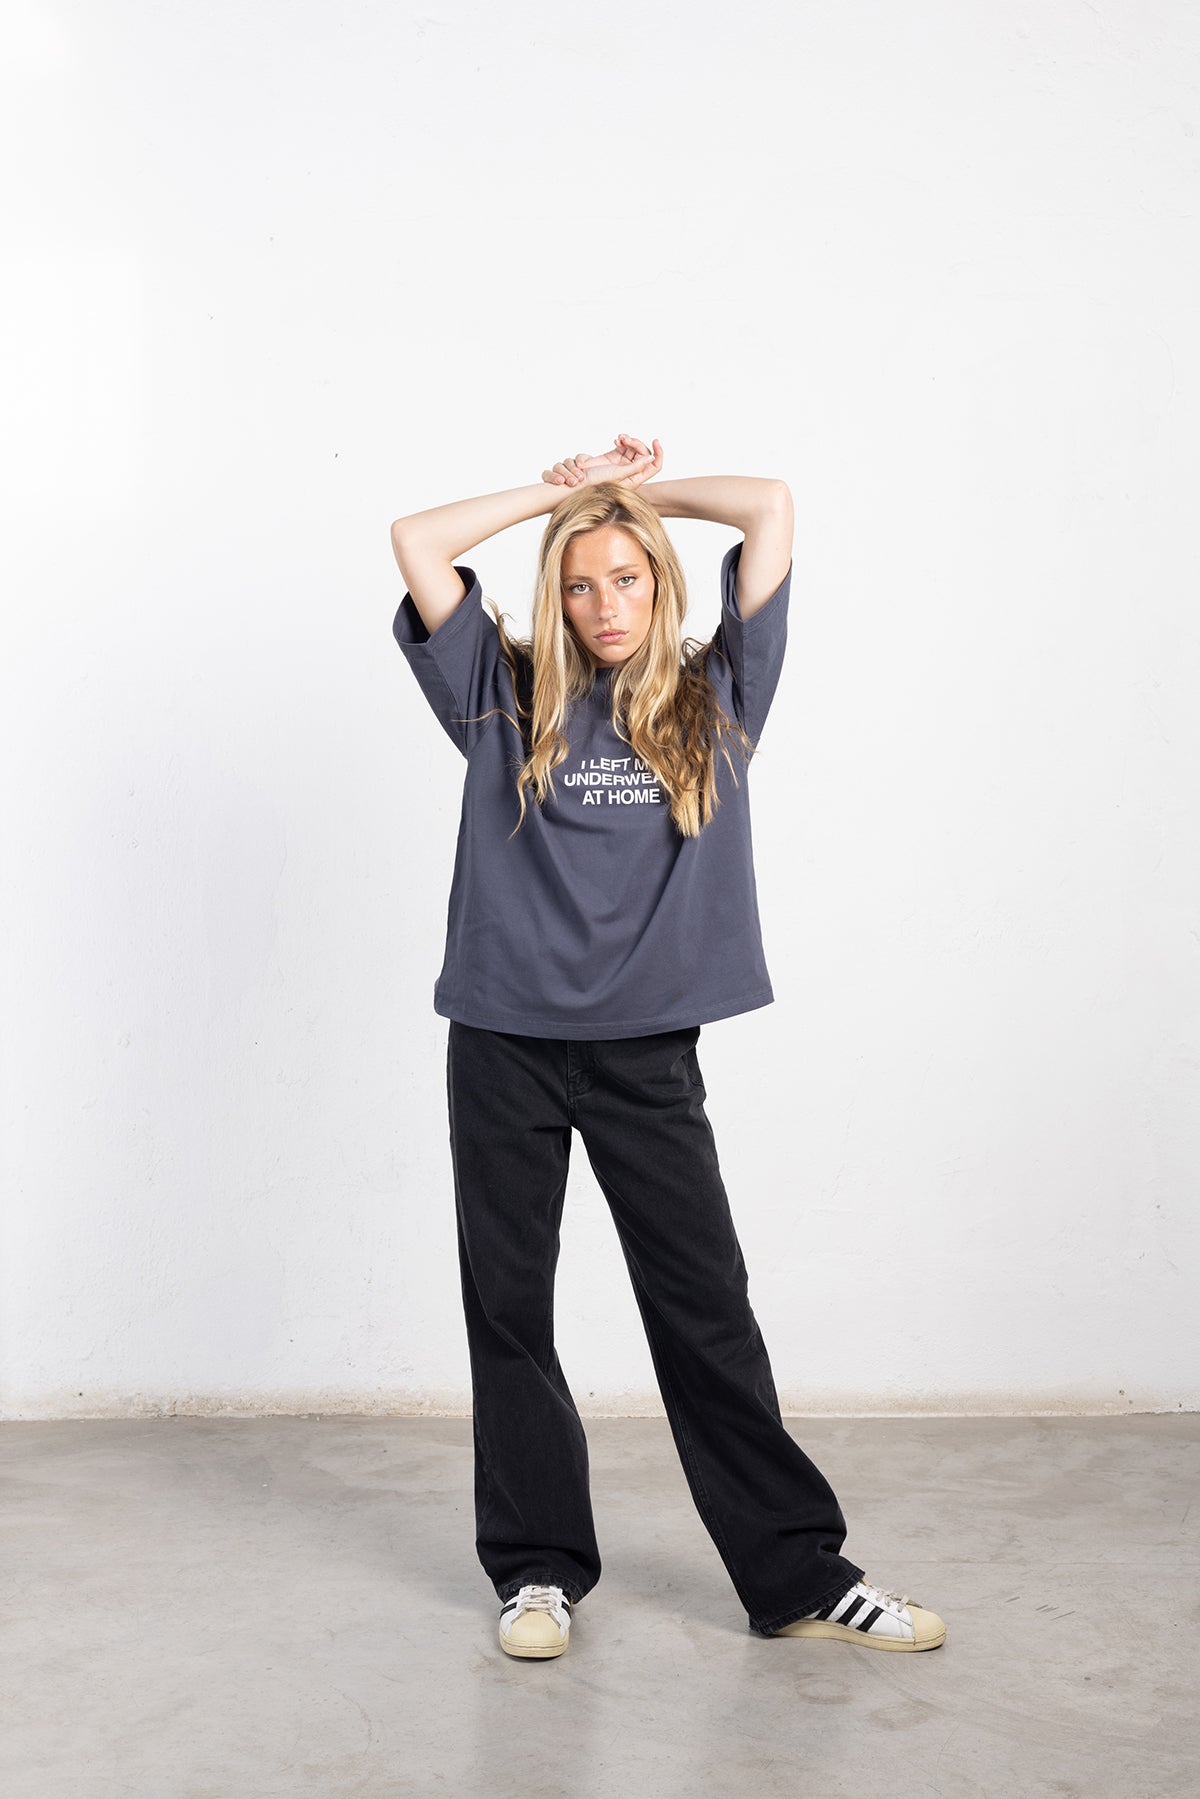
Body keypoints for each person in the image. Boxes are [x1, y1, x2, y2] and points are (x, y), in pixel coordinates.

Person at [389, 434, 946, 1661]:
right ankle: (537, 1570)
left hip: (645, 1057)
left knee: (706, 1311)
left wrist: (633, 493)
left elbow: (770, 504)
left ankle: (797, 1572)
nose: (605, 605)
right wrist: (561, 498)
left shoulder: (719, 695)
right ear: (555, 596)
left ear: (661, 580)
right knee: (510, 1311)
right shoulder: (500, 693)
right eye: (580, 583)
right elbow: (417, 541)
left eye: (628, 577)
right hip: (503, 1042)